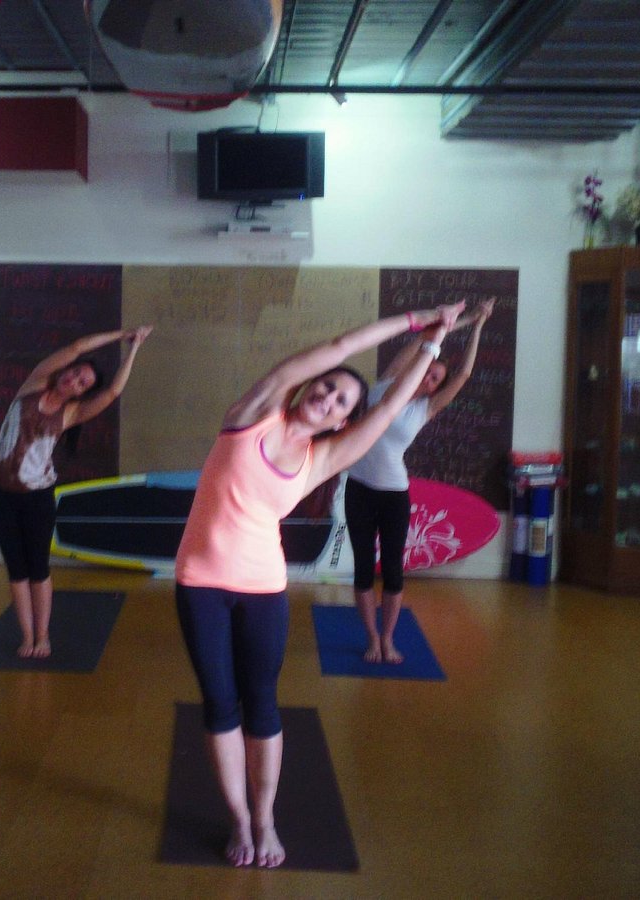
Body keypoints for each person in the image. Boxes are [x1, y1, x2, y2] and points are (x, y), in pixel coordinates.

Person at [174, 302, 465, 869]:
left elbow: (387, 413)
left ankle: (265, 819)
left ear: (339, 421)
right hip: (201, 582)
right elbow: (338, 344)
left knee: (261, 703)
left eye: (341, 402)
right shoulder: (253, 413)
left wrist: (435, 345)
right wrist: (417, 321)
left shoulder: (324, 456)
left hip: (263, 587)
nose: (328, 397)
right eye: (327, 386)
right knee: (219, 704)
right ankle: (238, 820)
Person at [0, 325, 152, 658]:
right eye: (75, 373)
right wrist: (123, 335)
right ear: (65, 371)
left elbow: (112, 393)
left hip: (37, 497)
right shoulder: (34, 383)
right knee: (16, 570)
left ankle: (43, 636)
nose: (74, 380)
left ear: (80, 393)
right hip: (0, 493)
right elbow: (78, 345)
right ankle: (26, 636)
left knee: (37, 567)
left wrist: (134, 349)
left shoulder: (71, 412)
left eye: (82, 383)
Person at [346, 298, 496, 665]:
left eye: (434, 379)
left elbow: (461, 376)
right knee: (364, 567)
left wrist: (478, 326)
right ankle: (372, 639)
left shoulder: (424, 410)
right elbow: (423, 338)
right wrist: (455, 321)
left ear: (433, 389)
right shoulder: (384, 385)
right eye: (429, 369)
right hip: (359, 490)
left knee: (393, 570)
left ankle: (389, 637)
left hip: (394, 495)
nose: (429, 377)